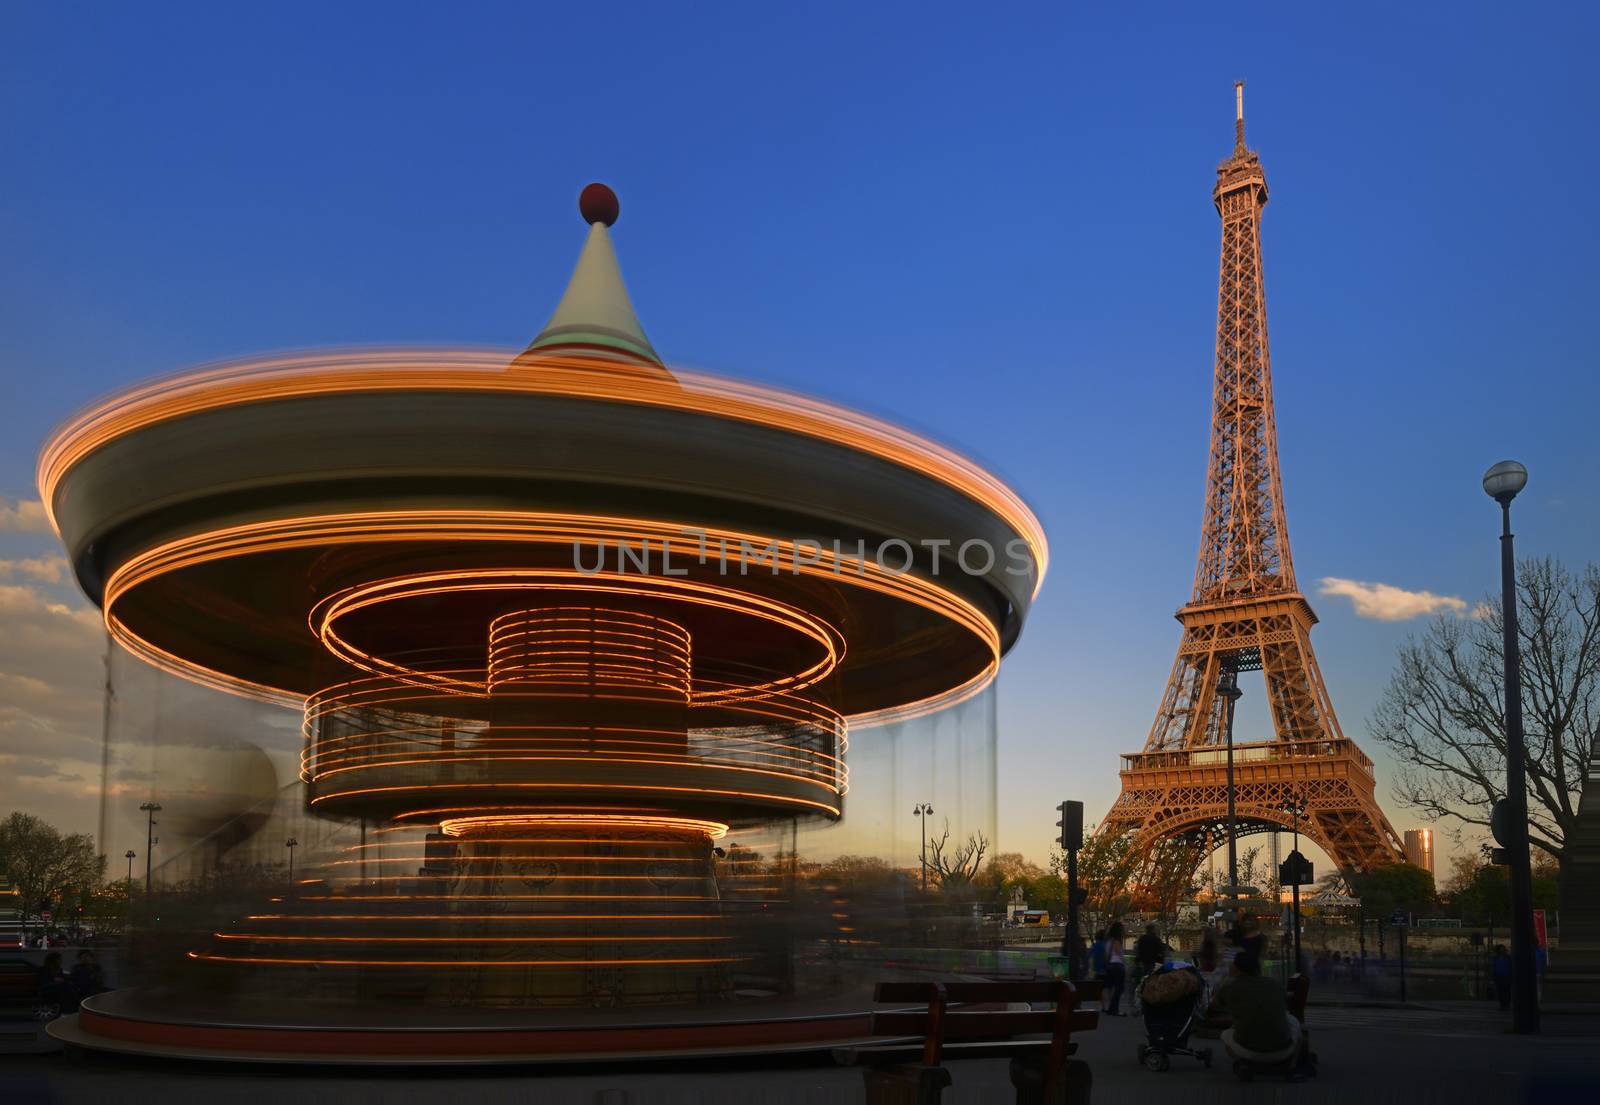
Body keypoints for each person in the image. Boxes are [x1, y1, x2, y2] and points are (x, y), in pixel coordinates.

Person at [1213, 950, 1300, 1065]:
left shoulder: (1230, 987)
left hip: (1248, 1050)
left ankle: (1245, 1063)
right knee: (1294, 1021)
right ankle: (1292, 1064)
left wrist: (1228, 979)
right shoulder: (1275, 984)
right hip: (1283, 1051)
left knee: (1225, 1035)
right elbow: (1284, 1004)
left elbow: (1214, 1006)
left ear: (1235, 968)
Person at [1103, 922, 1127, 1015]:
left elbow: (1106, 955)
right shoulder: (1116, 941)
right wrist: (1125, 964)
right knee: (1119, 988)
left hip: (1110, 965)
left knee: (1111, 987)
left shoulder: (1108, 941)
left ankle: (1111, 1008)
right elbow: (1119, 953)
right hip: (1118, 965)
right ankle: (1115, 1009)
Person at [1490, 944, 1512, 1010]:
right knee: (1500, 991)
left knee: (1506, 991)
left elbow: (1511, 966)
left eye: (1503, 949)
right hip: (1498, 976)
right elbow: (1493, 967)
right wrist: (1493, 975)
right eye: (1500, 949)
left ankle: (1506, 1005)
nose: (1502, 951)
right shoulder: (1495, 958)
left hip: (1506, 976)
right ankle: (1502, 1005)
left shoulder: (1508, 957)